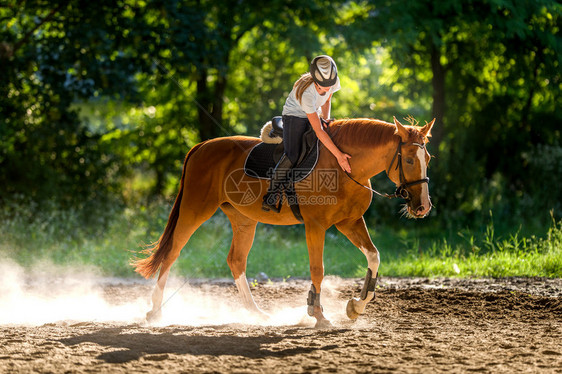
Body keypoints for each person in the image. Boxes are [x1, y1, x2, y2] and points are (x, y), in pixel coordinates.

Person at [262, 55, 352, 213]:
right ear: (316, 81)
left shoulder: (331, 81)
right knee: (293, 155)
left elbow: (327, 100)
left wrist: (327, 119)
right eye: (323, 86)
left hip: (313, 112)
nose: (327, 88)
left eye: (330, 85)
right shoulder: (307, 94)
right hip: (294, 116)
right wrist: (339, 155)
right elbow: (318, 131)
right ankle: (270, 195)